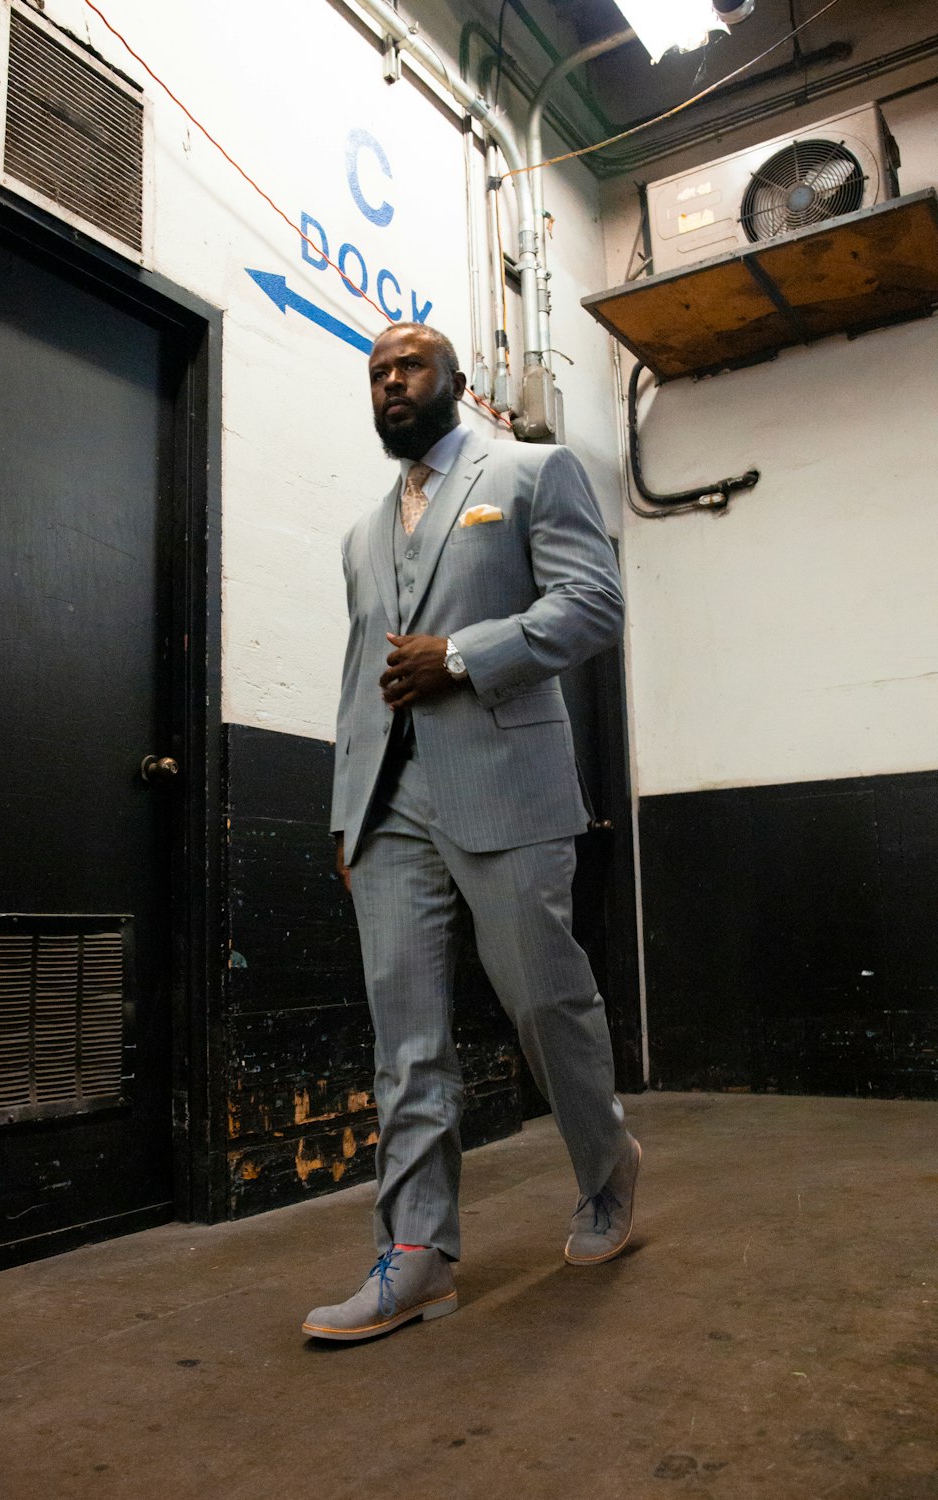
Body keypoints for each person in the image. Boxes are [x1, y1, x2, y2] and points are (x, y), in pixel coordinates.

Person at [302, 322, 640, 1342]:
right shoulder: (362, 535)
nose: (388, 384)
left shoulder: (534, 472)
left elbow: (591, 604)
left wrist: (464, 655)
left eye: (406, 367)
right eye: (374, 374)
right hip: (388, 812)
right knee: (405, 1039)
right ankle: (417, 1256)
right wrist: (345, 814)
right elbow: (363, 683)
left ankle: (607, 1171)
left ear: (459, 382)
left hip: (506, 790)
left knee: (546, 1004)